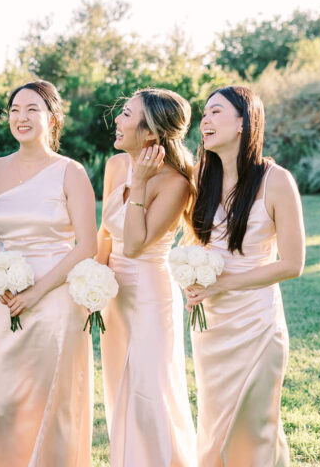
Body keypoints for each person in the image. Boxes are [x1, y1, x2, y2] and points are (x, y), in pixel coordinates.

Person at [0, 80, 97, 467]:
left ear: (53, 117)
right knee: (1, 402)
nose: (21, 117)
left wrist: (37, 291)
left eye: (32, 110)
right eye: (14, 110)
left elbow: (86, 246)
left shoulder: (70, 172)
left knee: (51, 400)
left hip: (56, 300)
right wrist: (3, 277)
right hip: (5, 300)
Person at [186, 86, 306, 466]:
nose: (205, 120)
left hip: (256, 324)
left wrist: (224, 283)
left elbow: (293, 264)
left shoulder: (277, 180)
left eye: (215, 112)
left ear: (243, 122)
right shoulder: (201, 178)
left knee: (256, 426)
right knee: (215, 428)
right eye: (203, 114)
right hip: (211, 327)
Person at [97, 88, 197, 466]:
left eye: (126, 114)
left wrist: (139, 181)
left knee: (150, 389)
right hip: (113, 295)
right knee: (119, 387)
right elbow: (106, 231)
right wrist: (92, 282)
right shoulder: (113, 165)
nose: (118, 121)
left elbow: (136, 244)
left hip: (150, 295)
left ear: (150, 133)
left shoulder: (176, 182)